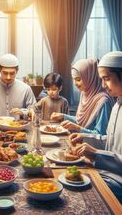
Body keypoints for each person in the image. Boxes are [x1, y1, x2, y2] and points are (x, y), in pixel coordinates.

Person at [69, 51, 122, 203]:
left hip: (117, 178)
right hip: (109, 170)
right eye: (101, 79)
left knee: (77, 187)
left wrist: (96, 154)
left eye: (107, 79)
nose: (103, 85)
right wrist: (84, 137)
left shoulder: (107, 101)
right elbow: (110, 141)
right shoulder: (117, 104)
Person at [51, 59, 114, 135]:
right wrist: (63, 116)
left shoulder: (103, 102)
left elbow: (101, 136)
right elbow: (81, 120)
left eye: (78, 79)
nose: (75, 84)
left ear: (90, 77)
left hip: (91, 146)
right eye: (73, 79)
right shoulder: (85, 94)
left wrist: (78, 128)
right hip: (82, 141)